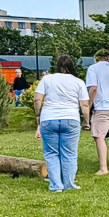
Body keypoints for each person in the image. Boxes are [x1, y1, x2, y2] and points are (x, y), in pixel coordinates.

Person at [34, 55, 90, 192]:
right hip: (71, 119)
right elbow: (85, 105)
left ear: (57, 66)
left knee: (51, 153)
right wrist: (86, 122)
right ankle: (69, 184)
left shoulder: (47, 79)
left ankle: (56, 186)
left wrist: (38, 116)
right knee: (69, 153)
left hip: (49, 119)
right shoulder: (78, 82)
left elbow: (37, 99)